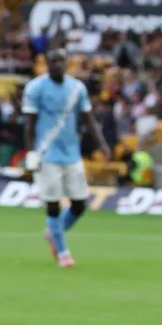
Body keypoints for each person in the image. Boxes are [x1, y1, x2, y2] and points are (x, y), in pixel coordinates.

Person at [23, 49, 112, 268]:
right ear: (46, 63)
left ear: (67, 62)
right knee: (52, 204)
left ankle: (54, 232)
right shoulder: (36, 88)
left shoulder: (77, 88)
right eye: (52, 61)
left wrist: (102, 144)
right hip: (47, 154)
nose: (57, 65)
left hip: (71, 154)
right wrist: (30, 153)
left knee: (80, 204)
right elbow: (30, 124)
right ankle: (63, 252)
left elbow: (88, 118)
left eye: (61, 61)